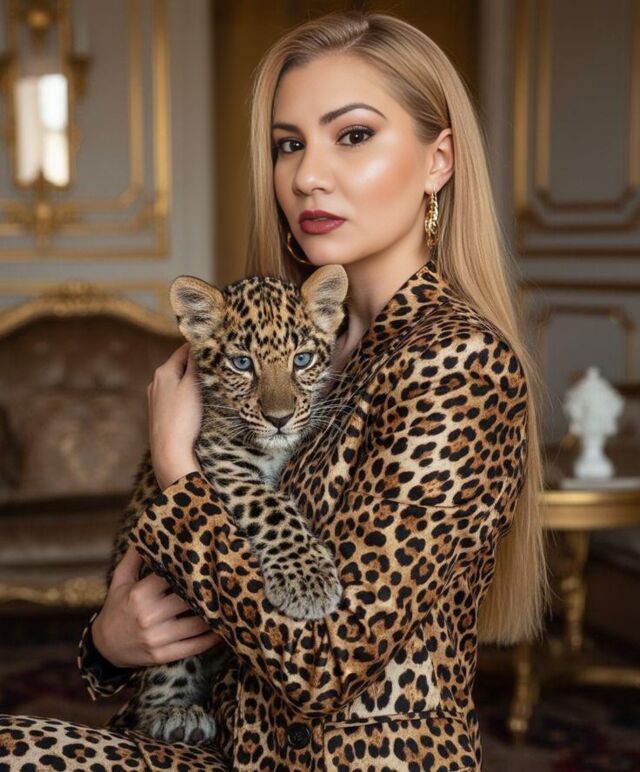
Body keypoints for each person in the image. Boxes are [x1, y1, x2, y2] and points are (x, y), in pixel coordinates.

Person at [0, 9, 549, 771]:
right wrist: (109, 643)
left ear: (438, 160)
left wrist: (177, 467)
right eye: (288, 144)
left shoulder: (458, 361)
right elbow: (194, 579)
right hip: (222, 746)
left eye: (352, 135)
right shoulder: (298, 334)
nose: (306, 175)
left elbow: (322, 667)